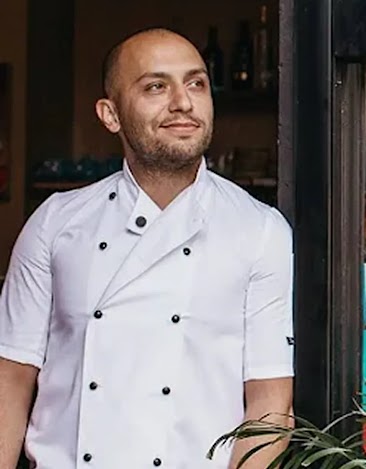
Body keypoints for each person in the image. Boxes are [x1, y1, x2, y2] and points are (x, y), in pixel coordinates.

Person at [0, 28, 294, 469]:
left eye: (196, 83)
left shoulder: (260, 229)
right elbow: (10, 378)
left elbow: (271, 405)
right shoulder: (55, 222)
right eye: (156, 86)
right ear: (111, 115)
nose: (183, 102)